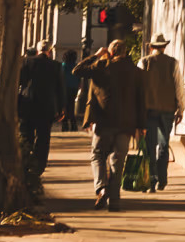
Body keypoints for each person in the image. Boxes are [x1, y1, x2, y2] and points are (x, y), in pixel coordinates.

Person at [78, 36, 147, 211]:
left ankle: (101, 188)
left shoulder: (102, 68)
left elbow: (77, 71)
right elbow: (141, 100)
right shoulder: (136, 72)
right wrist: (142, 125)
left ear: (110, 52)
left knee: (98, 155)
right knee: (118, 161)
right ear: (126, 52)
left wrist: (96, 55)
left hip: (104, 122)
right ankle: (114, 202)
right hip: (126, 124)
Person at [16, 43, 66, 183]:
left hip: (28, 104)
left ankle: (25, 163)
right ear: (49, 51)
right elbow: (60, 88)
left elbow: (20, 82)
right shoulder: (56, 66)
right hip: (47, 106)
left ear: (38, 50)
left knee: (26, 136)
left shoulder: (27, 62)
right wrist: (61, 108)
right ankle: (39, 167)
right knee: (43, 137)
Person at [140, 37, 179, 193]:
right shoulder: (173, 63)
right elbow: (179, 86)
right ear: (164, 47)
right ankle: (162, 180)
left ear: (151, 48)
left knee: (150, 146)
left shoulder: (144, 62)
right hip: (168, 110)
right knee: (163, 145)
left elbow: (139, 87)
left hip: (149, 110)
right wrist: (181, 108)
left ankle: (150, 180)